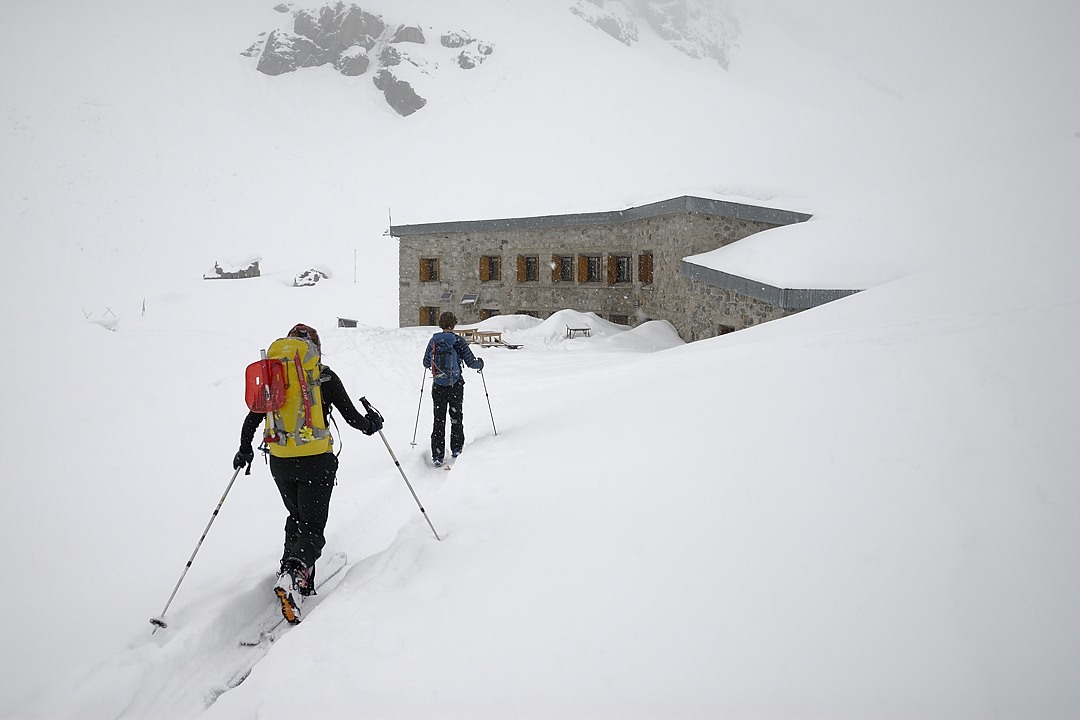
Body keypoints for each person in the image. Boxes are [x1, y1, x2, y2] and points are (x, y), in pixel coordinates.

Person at [233, 323, 383, 623]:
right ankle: (294, 572)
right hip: (316, 460)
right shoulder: (324, 375)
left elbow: (253, 417)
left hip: (281, 461)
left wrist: (244, 449)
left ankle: (292, 574)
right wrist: (372, 424)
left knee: (296, 516)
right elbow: (352, 419)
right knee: (313, 528)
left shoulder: (275, 376)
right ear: (315, 349)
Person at [422, 312, 484, 466]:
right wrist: (480, 364)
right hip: (455, 385)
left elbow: (425, 362)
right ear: (454, 324)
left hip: (438, 385)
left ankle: (437, 455)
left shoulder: (434, 341)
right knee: (456, 417)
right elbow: (470, 362)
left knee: (438, 419)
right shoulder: (458, 341)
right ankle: (456, 448)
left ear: (441, 324)